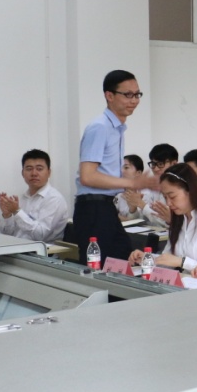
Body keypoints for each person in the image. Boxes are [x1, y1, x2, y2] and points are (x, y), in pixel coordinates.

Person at [73, 70, 157, 264]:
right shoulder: (100, 127)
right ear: (109, 96)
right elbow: (88, 176)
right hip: (93, 208)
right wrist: (132, 182)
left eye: (137, 94)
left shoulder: (116, 129)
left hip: (105, 207)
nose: (134, 100)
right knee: (101, 268)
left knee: (122, 260)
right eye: (127, 94)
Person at [129, 163, 197, 275]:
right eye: (165, 197)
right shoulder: (179, 220)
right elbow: (168, 259)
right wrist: (148, 258)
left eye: (172, 196)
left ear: (191, 191)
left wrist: (183, 262)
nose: (168, 203)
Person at [0, 149, 70, 243]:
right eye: (29, 169)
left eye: (39, 169)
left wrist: (17, 211)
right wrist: (7, 215)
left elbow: (40, 235)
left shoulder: (54, 199)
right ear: (22, 173)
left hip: (42, 251)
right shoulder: (22, 198)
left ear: (49, 172)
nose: (34, 173)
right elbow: (8, 235)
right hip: (17, 247)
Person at [122, 143, 178, 226]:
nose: (156, 169)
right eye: (153, 164)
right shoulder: (154, 190)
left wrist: (141, 204)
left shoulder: (181, 188)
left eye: (160, 164)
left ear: (174, 164)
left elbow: (167, 222)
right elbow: (142, 221)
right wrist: (133, 209)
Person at [115, 154, 145, 220]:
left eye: (126, 168)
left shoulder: (147, 194)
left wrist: (133, 209)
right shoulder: (118, 195)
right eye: (120, 168)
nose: (121, 171)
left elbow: (143, 220)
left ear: (138, 173)